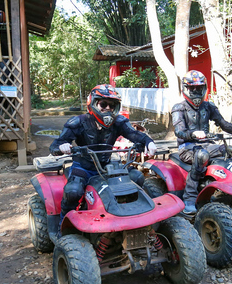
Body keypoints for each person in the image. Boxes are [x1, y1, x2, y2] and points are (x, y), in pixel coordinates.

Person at [50, 84, 158, 228]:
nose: (108, 109)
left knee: (137, 177)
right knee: (73, 191)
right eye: (103, 104)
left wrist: (148, 142)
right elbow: (56, 144)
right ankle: (63, 226)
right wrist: (62, 147)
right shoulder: (78, 122)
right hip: (84, 167)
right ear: (93, 103)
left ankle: (130, 219)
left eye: (112, 106)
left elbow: (135, 134)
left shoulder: (119, 122)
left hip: (107, 166)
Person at [172, 70, 232, 215]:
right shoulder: (179, 107)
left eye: (199, 88)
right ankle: (189, 198)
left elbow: (224, 124)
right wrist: (193, 134)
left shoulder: (208, 106)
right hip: (187, 147)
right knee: (202, 156)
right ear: (186, 89)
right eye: (192, 88)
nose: (196, 91)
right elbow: (179, 131)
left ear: (204, 88)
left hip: (207, 145)